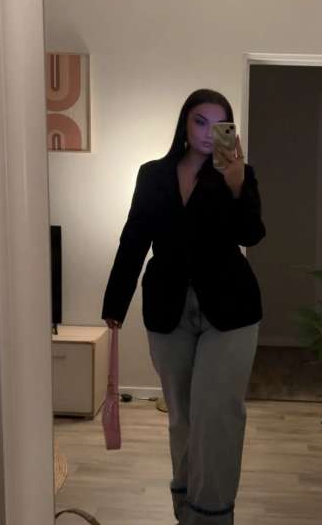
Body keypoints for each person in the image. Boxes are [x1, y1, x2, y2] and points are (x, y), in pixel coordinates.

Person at [102, 88, 266, 525]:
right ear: (185, 124)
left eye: (220, 124)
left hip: (230, 309)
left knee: (218, 415)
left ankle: (210, 516)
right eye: (200, 121)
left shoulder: (239, 175)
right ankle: (186, 506)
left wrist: (236, 185)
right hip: (168, 307)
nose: (209, 133)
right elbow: (134, 238)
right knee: (182, 418)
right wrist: (115, 303)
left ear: (231, 130)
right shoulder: (153, 174)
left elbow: (251, 234)